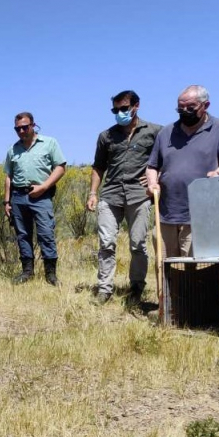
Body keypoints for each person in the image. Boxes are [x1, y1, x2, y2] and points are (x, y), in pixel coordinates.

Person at [87, 91, 163, 305]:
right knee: (106, 243)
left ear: (136, 106)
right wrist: (93, 193)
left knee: (138, 244)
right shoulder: (106, 136)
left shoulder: (155, 131)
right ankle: (104, 289)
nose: (119, 113)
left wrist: (156, 179)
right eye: (115, 110)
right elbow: (98, 167)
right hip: (110, 195)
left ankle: (137, 286)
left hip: (139, 196)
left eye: (123, 108)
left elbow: (167, 159)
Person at [146, 85, 219, 258]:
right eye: (180, 109)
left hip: (201, 215)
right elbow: (152, 166)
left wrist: (218, 173)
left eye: (190, 108)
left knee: (195, 269)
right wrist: (152, 183)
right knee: (166, 269)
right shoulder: (165, 133)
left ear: (206, 105)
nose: (185, 112)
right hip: (166, 214)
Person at [3, 112, 67, 286]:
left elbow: (60, 167)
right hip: (18, 196)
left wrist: (44, 187)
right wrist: (7, 202)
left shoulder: (49, 143)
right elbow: (8, 176)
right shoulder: (13, 149)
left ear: (33, 125)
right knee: (22, 235)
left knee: (46, 233)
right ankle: (27, 272)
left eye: (25, 127)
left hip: (41, 196)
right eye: (18, 128)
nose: (22, 131)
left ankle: (51, 274)